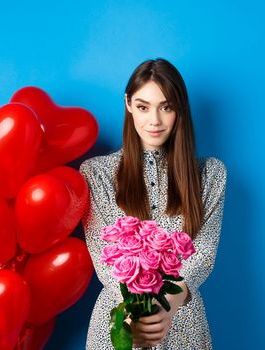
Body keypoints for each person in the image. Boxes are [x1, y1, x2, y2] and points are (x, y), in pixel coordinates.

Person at [80, 58, 227, 349]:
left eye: (167, 107)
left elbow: (203, 255)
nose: (155, 121)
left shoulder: (211, 174)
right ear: (128, 104)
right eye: (143, 106)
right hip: (122, 323)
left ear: (180, 108)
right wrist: (140, 315)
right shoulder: (96, 174)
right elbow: (106, 260)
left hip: (185, 321)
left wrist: (167, 307)